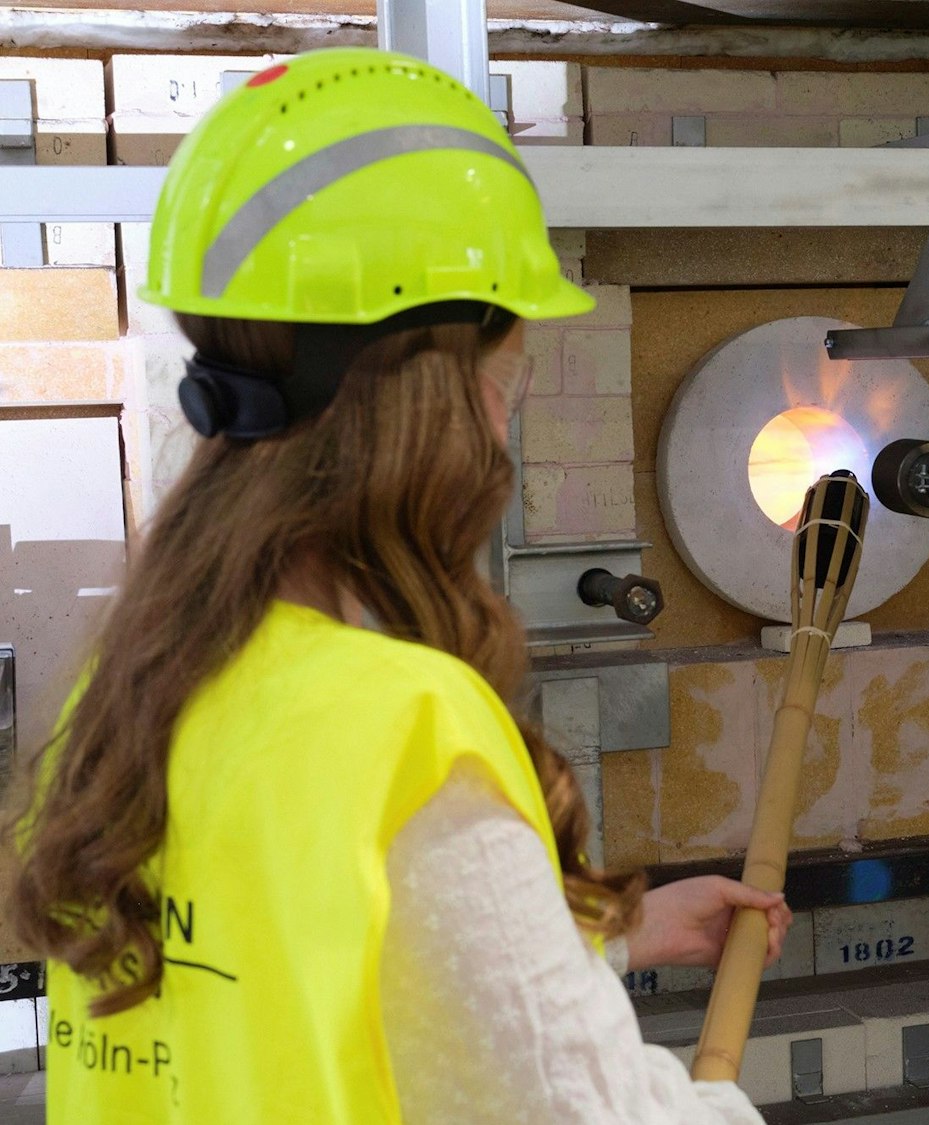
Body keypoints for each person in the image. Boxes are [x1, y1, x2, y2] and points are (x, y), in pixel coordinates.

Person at [3, 47, 791, 1123]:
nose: (502, 428)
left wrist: (594, 935)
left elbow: (321, 963)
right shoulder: (402, 732)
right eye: (505, 380)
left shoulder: (143, 689)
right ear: (433, 396)